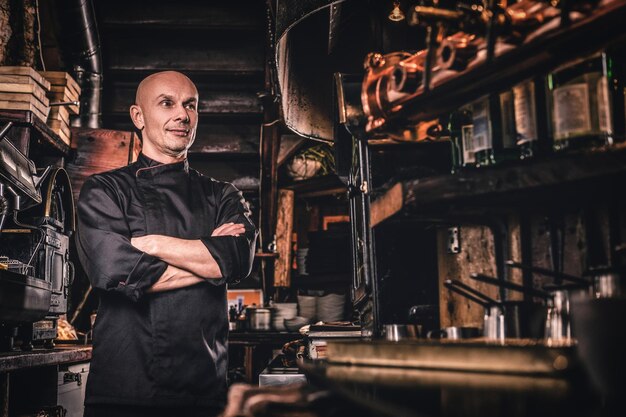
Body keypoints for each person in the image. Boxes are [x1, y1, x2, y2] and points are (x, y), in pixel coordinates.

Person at [76, 71, 257, 417]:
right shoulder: (105, 191)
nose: (182, 115)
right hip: (123, 391)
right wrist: (209, 261)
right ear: (138, 117)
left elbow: (236, 259)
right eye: (167, 103)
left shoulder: (222, 195)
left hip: (203, 390)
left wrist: (153, 244)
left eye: (191, 105)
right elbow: (114, 269)